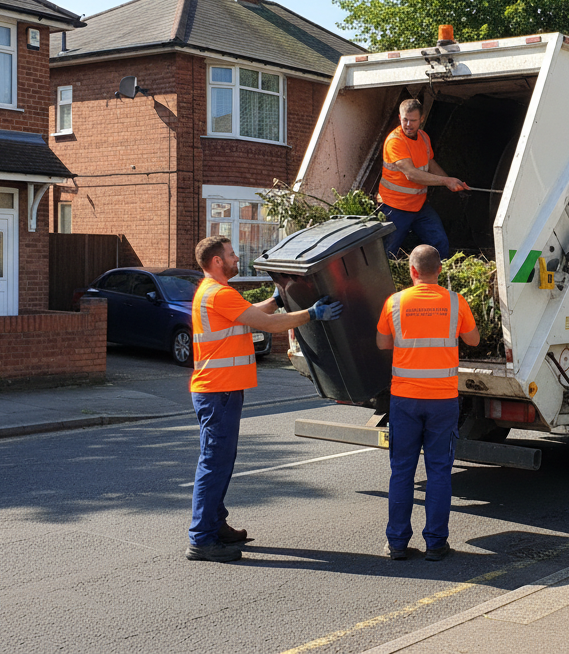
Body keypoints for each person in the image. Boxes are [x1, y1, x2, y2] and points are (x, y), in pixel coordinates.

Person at [187, 235, 342, 562]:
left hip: (219, 391)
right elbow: (268, 325)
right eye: (230, 254)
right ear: (217, 262)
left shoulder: (212, 292)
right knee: (214, 464)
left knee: (221, 462)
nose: (235, 257)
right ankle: (201, 539)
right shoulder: (219, 293)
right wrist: (311, 314)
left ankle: (215, 524)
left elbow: (251, 314)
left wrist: (275, 299)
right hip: (219, 391)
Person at [376, 244, 480, 561]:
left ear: (412, 272)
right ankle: (436, 543)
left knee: (402, 473)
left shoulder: (395, 302)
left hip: (405, 400)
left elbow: (382, 343)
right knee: (438, 473)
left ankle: (397, 543)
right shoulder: (455, 301)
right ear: (440, 270)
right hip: (442, 401)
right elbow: (473, 340)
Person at [378, 97, 468, 258]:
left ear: (422, 119)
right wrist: (445, 181)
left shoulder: (424, 138)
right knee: (388, 253)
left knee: (439, 242)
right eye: (405, 120)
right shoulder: (395, 142)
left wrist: (451, 182)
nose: (408, 125)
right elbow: (411, 174)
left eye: (413, 120)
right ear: (400, 117)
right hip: (395, 208)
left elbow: (430, 162)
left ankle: (440, 275)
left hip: (419, 206)